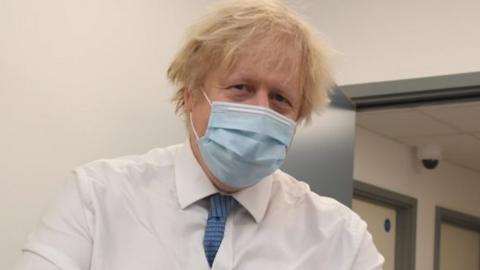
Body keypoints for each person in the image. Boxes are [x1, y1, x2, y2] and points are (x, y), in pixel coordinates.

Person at [14, 0, 384, 269]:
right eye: (241, 87)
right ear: (191, 96)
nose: (260, 109)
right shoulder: (95, 197)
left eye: (281, 98)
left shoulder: (341, 238)